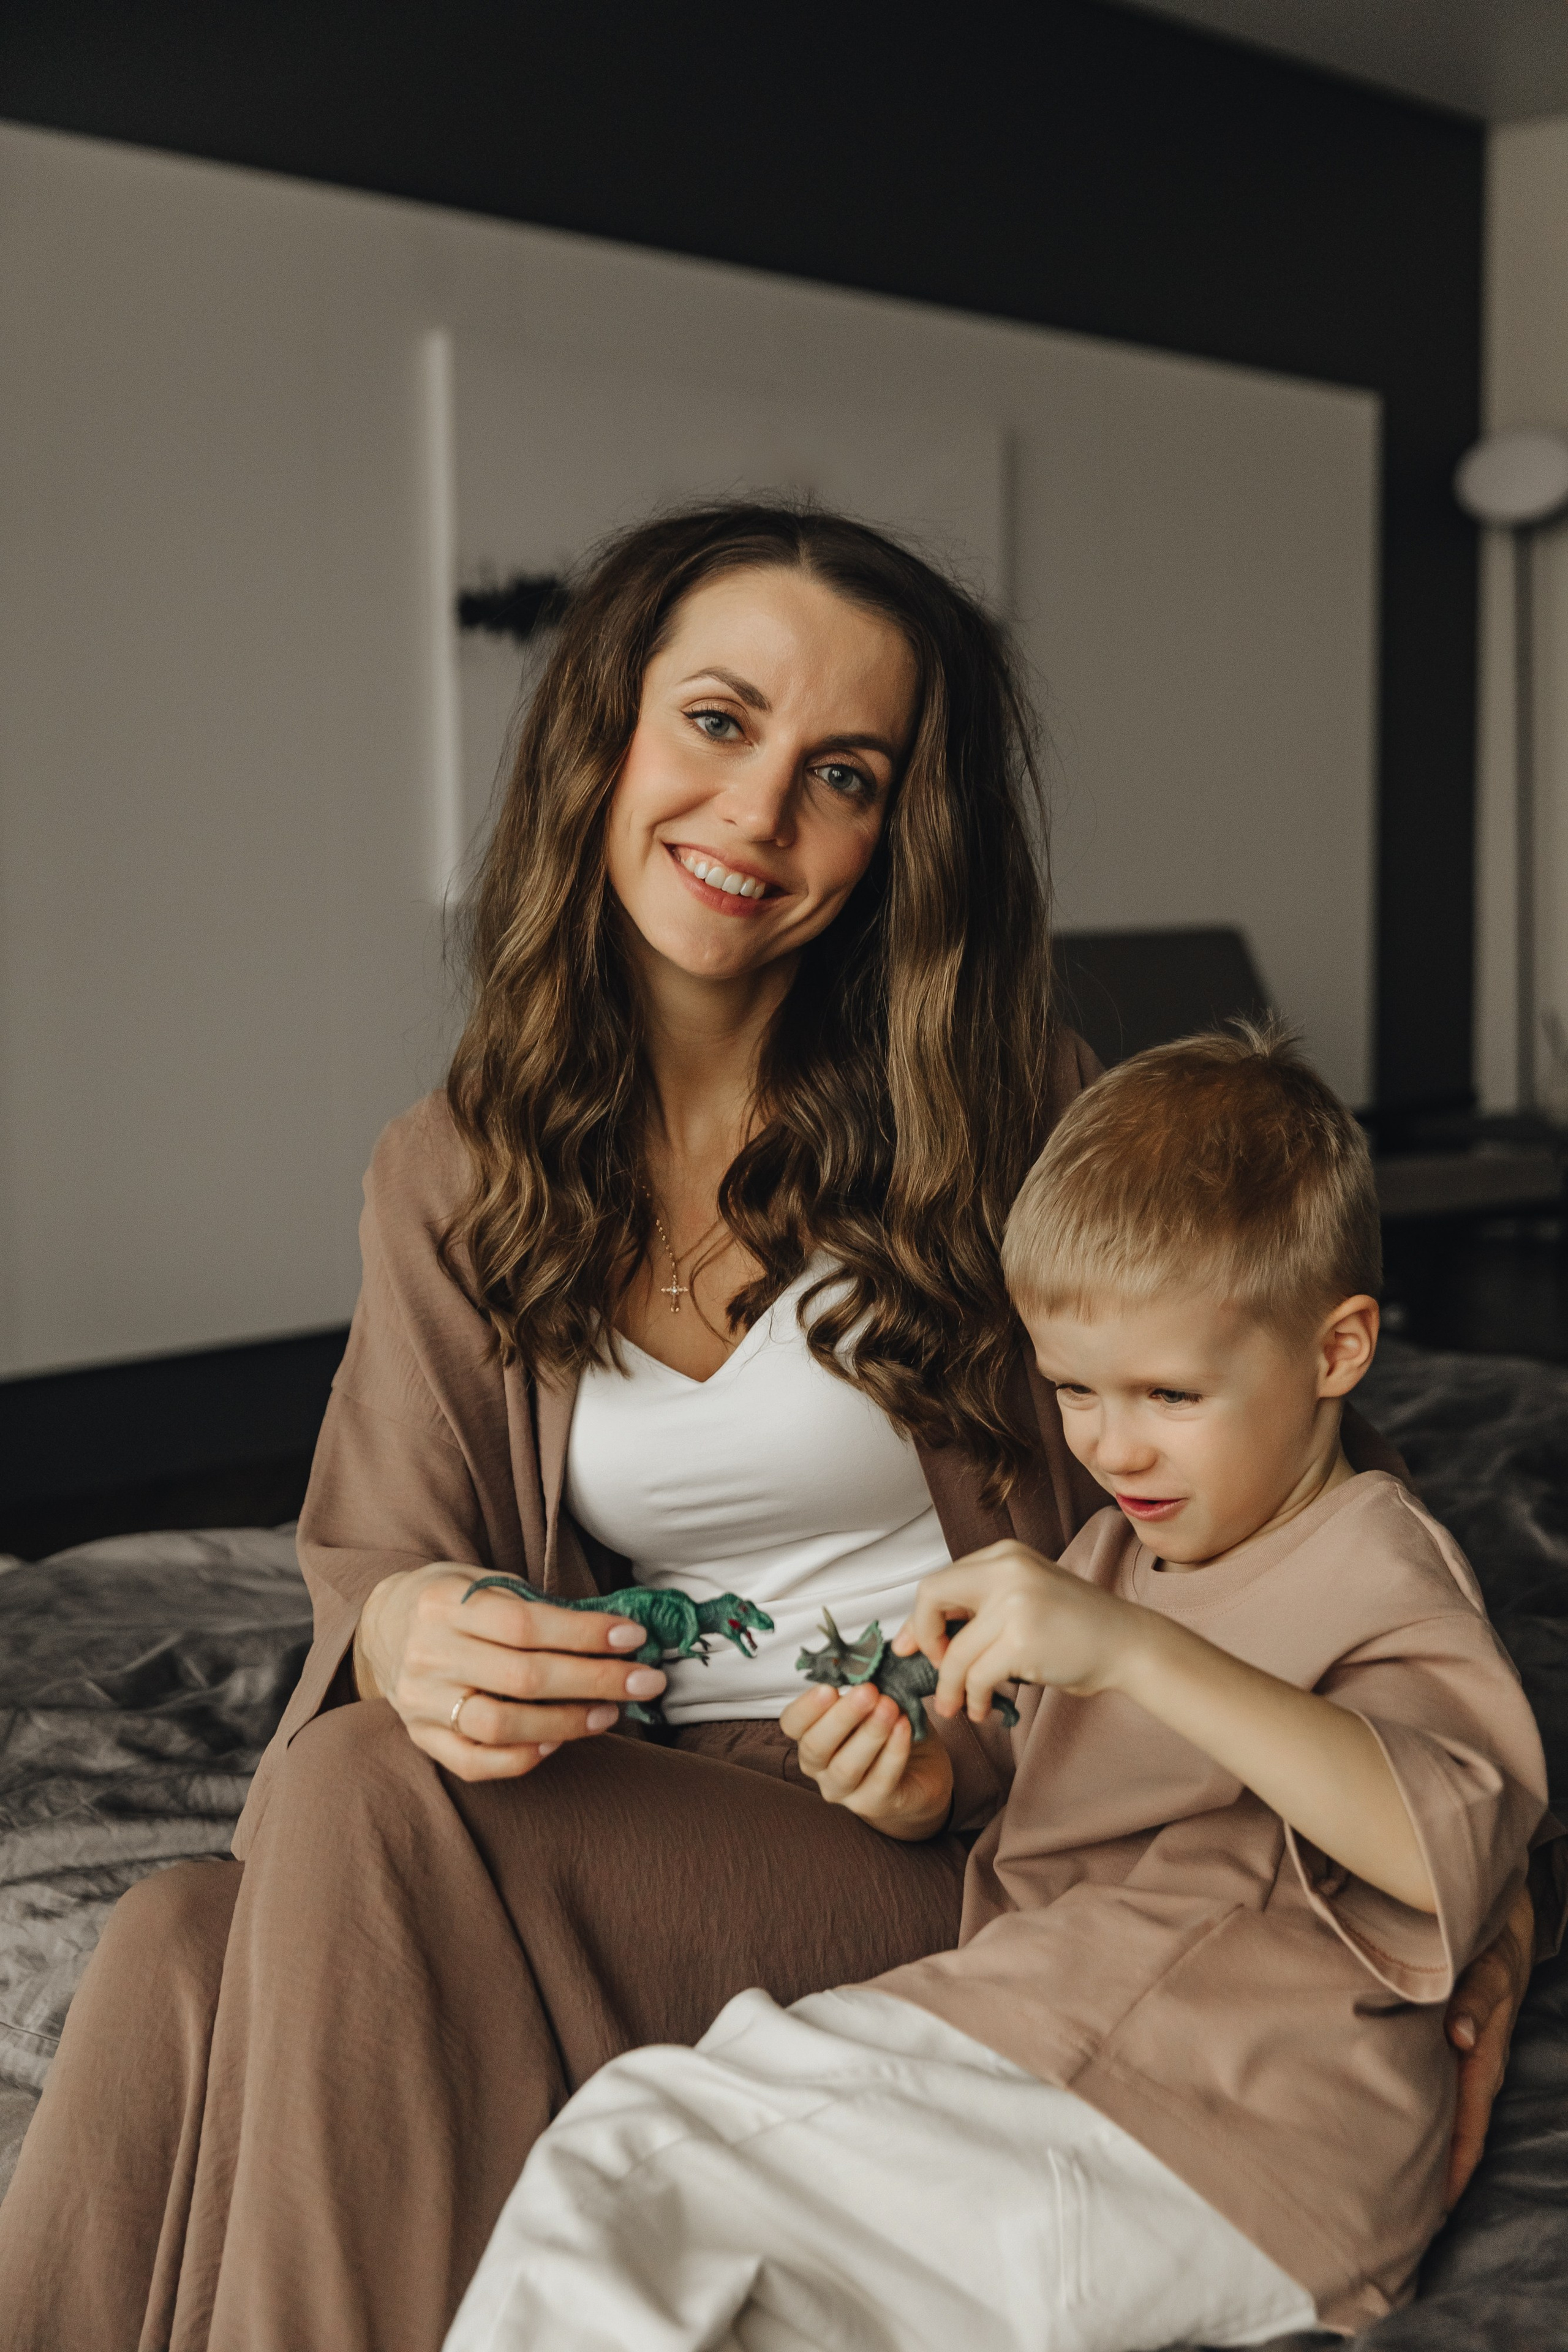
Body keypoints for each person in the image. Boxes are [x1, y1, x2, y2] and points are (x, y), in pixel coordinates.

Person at [0, 510, 1541, 2352]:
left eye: (842, 775)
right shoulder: (450, 1173)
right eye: (718, 723)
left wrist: (1487, 1900)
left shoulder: (1005, 1108)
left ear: (900, 831)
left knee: (357, 1801)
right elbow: (381, 1559)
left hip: (931, 1821)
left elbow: (1266, 1474)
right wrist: (416, 1631)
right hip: (634, 1793)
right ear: (611, 737)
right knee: (182, 1943)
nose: (758, 818)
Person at [443, 1027, 1557, 2352]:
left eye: (1168, 1393)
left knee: (635, 2154)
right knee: (756, 2301)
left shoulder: (1371, 1555)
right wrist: (918, 1783)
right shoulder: (1109, 1552)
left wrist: (1132, 1650)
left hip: (1197, 2100)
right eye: (1074, 1390)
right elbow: (1019, 1764)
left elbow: (1445, 1850)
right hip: (1124, 2108)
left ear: (1336, 1352)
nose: (1108, 1443)